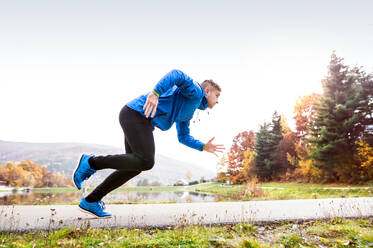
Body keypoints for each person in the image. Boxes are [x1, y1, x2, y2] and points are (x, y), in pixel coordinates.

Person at [73, 69, 225, 218]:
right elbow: (177, 74)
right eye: (217, 95)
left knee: (135, 166)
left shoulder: (189, 108)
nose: (218, 101)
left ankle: (91, 201)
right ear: (207, 91)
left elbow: (183, 136)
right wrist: (155, 93)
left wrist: (203, 146)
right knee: (146, 161)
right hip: (135, 114)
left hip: (136, 118)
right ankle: (91, 162)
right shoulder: (196, 91)